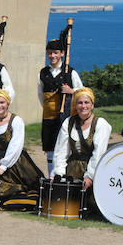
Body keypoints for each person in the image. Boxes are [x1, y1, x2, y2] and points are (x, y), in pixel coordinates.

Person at [0, 89, 43, 210]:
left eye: (2, 102)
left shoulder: (16, 121)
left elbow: (15, 146)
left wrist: (3, 167)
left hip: (16, 162)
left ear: (7, 104)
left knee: (31, 188)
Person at [52, 87, 112, 191]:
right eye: (80, 103)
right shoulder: (69, 122)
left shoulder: (101, 124)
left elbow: (98, 153)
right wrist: (59, 173)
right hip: (71, 171)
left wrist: (90, 176)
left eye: (87, 102)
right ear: (75, 105)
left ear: (92, 105)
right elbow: (61, 150)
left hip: (94, 170)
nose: (83, 106)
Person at [38, 37, 82, 176]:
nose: (52, 56)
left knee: (64, 147)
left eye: (56, 53)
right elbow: (41, 95)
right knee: (50, 149)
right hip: (48, 116)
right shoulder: (43, 73)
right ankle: (51, 177)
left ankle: (63, 176)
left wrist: (71, 91)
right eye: (50, 53)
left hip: (65, 117)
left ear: (62, 53)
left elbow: (83, 93)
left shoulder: (70, 72)